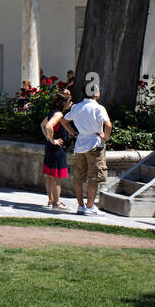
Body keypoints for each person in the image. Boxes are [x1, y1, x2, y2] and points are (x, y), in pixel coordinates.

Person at [62, 84, 112, 216]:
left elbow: (64, 121)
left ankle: (80, 206)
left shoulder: (76, 107)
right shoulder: (98, 108)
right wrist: (105, 136)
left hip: (80, 145)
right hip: (95, 144)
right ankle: (90, 206)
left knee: (78, 177)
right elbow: (108, 124)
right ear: (95, 93)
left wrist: (73, 133)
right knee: (94, 177)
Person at [41, 89, 73, 209]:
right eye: (68, 101)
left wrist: (49, 139)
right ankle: (57, 202)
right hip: (57, 149)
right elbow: (48, 126)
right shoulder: (59, 114)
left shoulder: (53, 112)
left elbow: (43, 125)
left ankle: (51, 201)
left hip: (50, 148)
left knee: (50, 176)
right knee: (56, 178)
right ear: (63, 103)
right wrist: (52, 139)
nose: (70, 103)